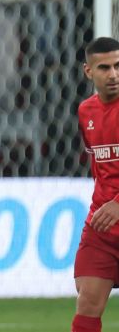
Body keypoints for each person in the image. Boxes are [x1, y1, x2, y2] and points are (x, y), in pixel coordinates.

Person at [73, 37, 119, 332]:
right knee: (88, 300)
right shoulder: (86, 111)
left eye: (118, 66)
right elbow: (99, 169)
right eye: (104, 68)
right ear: (88, 71)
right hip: (102, 226)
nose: (113, 74)